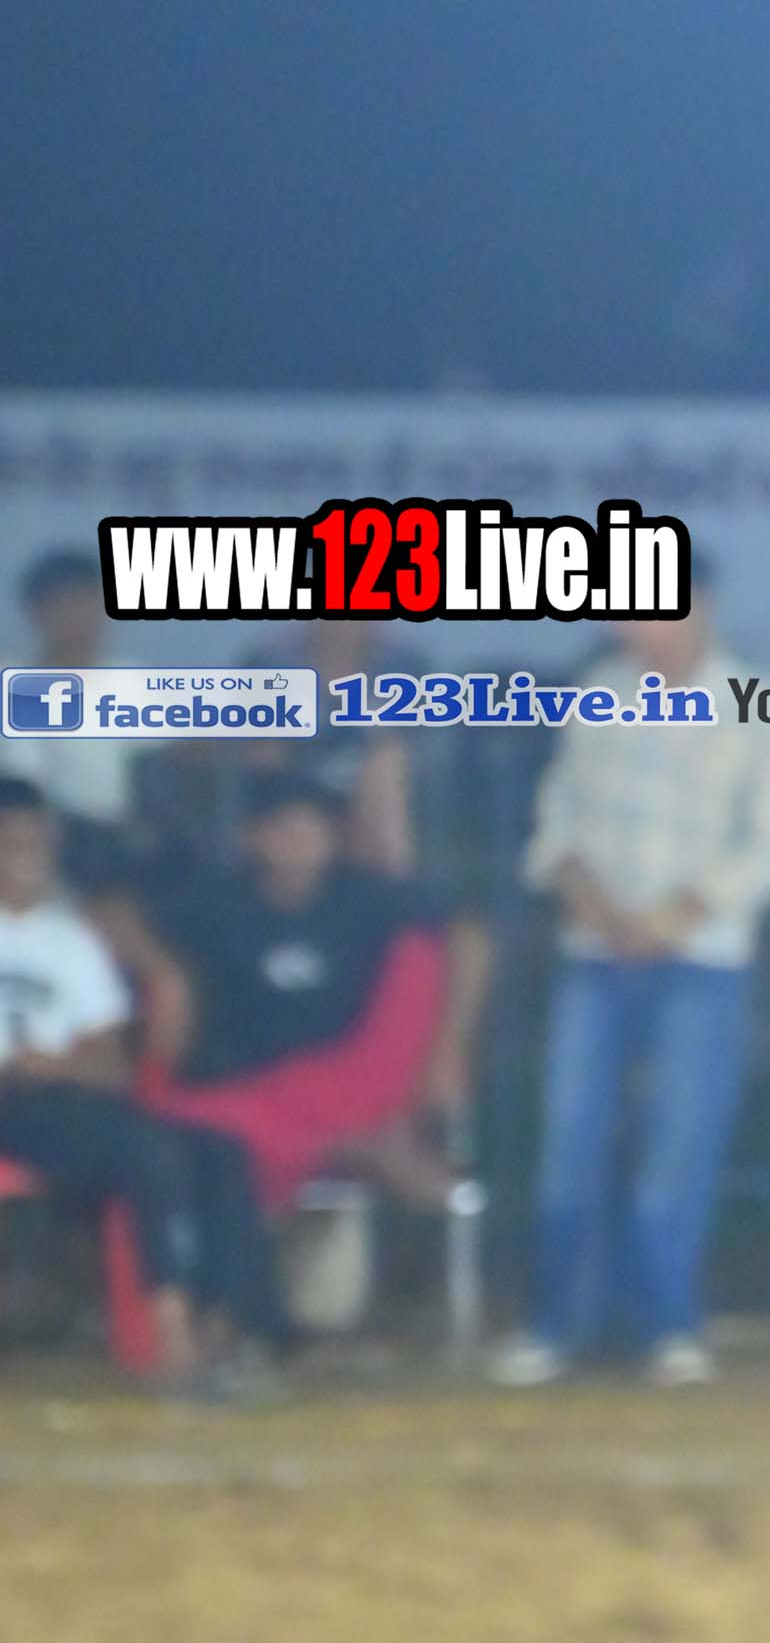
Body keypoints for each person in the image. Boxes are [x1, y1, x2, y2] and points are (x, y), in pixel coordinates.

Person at [490, 600, 770, 1391]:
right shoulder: (596, 694)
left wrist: (680, 913)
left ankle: (667, 1324)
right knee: (570, 1140)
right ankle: (556, 1324)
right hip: (594, 950)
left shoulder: (756, 701)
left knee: (678, 1147)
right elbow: (557, 817)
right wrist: (585, 894)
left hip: (703, 956)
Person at [116, 765, 477, 1228]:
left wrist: (449, 1049)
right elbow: (111, 911)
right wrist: (163, 972)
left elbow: (470, 936)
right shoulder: (214, 900)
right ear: (252, 838)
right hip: (251, 1082)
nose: (300, 841)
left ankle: (361, 1147)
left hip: (349, 1080)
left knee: (292, 1116)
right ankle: (360, 1150)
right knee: (193, 1123)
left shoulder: (368, 898)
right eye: (284, 828)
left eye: (313, 828)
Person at [0, 774, 272, 1385]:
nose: (25, 856)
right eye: (10, 841)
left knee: (218, 1154)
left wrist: (58, 1065)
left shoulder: (68, 939)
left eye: (35, 841)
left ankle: (220, 1327)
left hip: (64, 1102)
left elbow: (113, 1064)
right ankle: (171, 1340)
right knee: (143, 1149)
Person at [15, 544, 135, 863]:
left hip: (134, 840)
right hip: (51, 843)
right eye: (63, 604)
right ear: (36, 613)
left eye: (86, 602)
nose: (77, 616)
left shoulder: (134, 679)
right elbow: (21, 783)